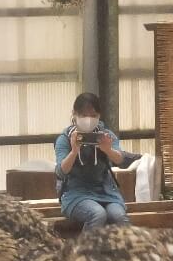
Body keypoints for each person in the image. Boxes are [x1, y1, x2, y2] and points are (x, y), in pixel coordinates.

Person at [54, 92, 131, 230]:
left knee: (119, 216)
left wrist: (108, 149)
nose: (88, 119)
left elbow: (120, 159)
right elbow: (61, 172)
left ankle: (126, 250)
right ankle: (85, 251)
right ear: (74, 114)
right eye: (83, 115)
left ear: (99, 116)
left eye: (93, 115)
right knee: (97, 214)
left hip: (106, 192)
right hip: (75, 193)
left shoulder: (106, 135)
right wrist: (74, 151)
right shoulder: (65, 138)